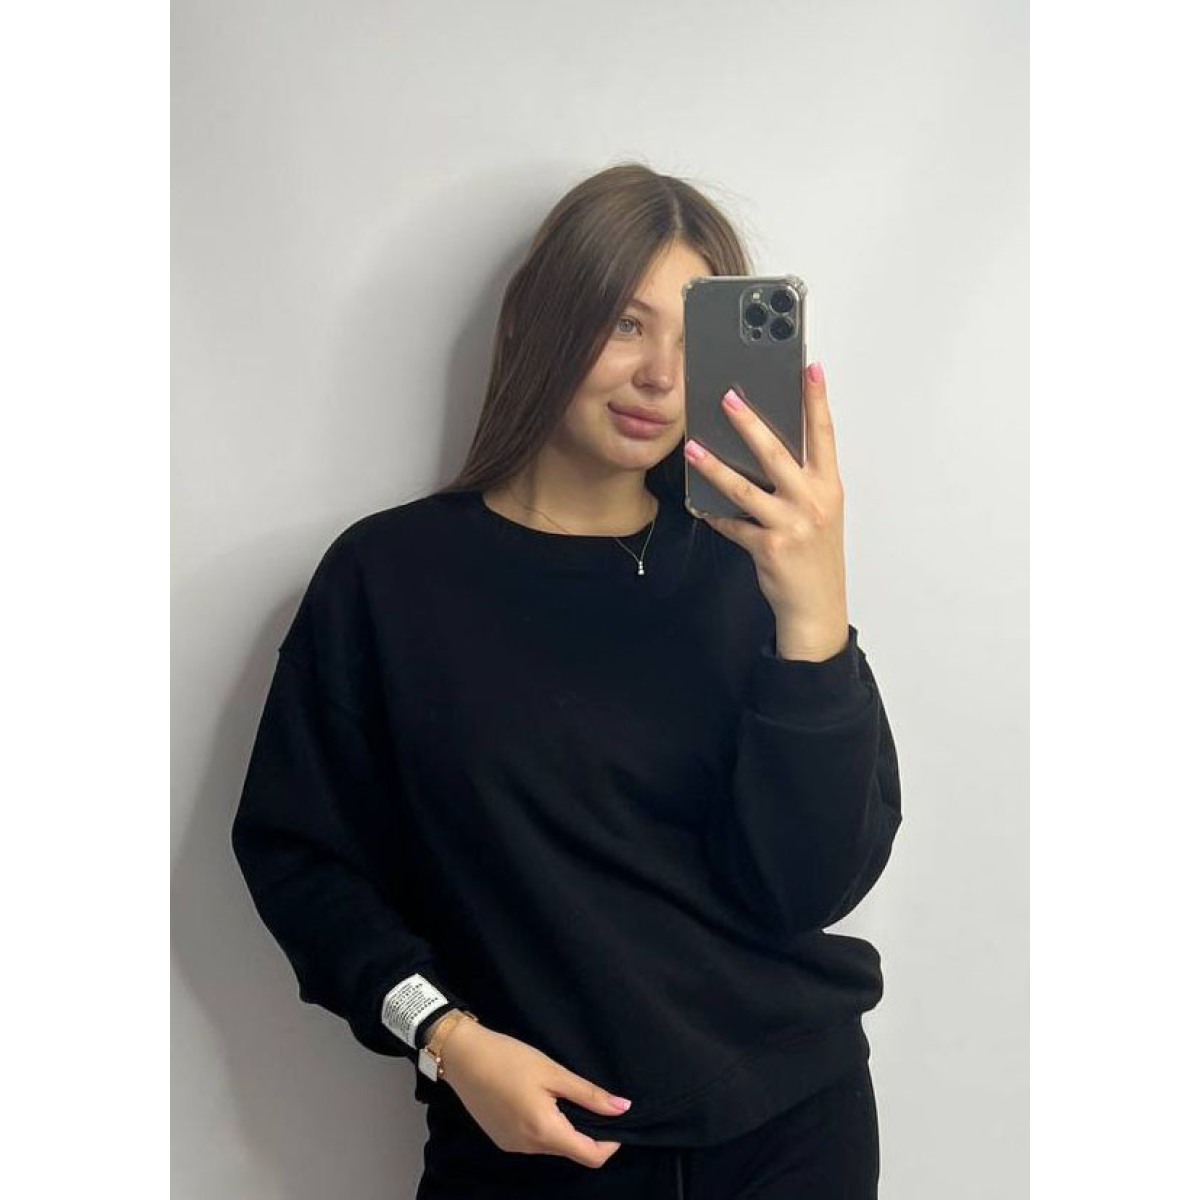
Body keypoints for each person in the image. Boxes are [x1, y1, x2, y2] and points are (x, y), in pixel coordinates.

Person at [231, 162, 903, 1199]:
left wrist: (814, 618)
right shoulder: (390, 580)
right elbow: (299, 859)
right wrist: (447, 1040)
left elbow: (808, 887)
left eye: (694, 337)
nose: (661, 377)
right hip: (534, 1150)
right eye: (626, 323)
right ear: (539, 321)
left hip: (792, 1129)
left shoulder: (753, 575)